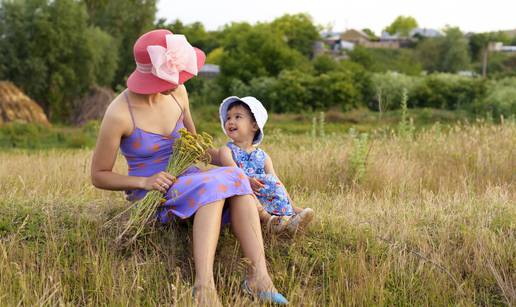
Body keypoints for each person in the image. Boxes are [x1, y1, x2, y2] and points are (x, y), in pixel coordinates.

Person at [90, 29, 288, 305]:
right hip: (154, 192)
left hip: (192, 180)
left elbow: (196, 147)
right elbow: (98, 175)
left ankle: (259, 278)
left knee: (232, 181)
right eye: (175, 75)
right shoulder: (119, 113)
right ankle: (204, 286)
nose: (182, 80)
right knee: (217, 184)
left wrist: (236, 160)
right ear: (152, 76)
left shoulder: (177, 93)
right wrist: (144, 182)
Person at [218, 96, 315, 234]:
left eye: (237, 117)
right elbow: (234, 172)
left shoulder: (263, 156)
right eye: (228, 118)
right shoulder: (226, 151)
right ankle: (268, 219)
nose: (230, 121)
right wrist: (247, 180)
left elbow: (277, 182)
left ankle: (290, 216)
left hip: (264, 195)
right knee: (246, 189)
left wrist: (293, 205)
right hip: (241, 195)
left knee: (273, 184)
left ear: (254, 125)